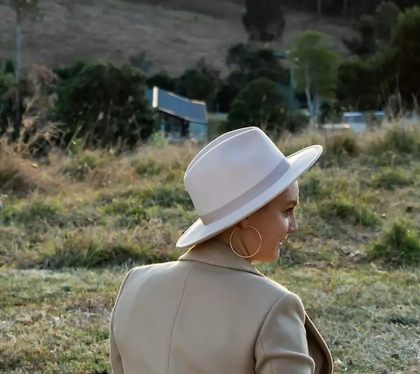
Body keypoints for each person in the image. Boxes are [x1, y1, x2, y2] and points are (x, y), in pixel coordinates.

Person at [109, 126, 333, 374]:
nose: (294, 226)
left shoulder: (135, 283)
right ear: (247, 216)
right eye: (287, 211)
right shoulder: (273, 305)